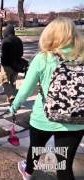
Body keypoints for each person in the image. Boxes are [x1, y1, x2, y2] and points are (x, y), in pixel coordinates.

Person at [10, 17, 84, 180]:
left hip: (43, 117)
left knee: (36, 149)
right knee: (64, 167)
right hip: (76, 121)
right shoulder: (82, 57)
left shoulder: (43, 58)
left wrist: (14, 106)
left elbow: (25, 90)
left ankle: (28, 171)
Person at [0, 24, 23, 105]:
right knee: (13, 82)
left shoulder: (5, 41)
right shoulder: (18, 40)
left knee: (4, 81)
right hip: (16, 64)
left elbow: (3, 54)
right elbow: (21, 53)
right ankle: (12, 98)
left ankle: (10, 96)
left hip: (6, 65)